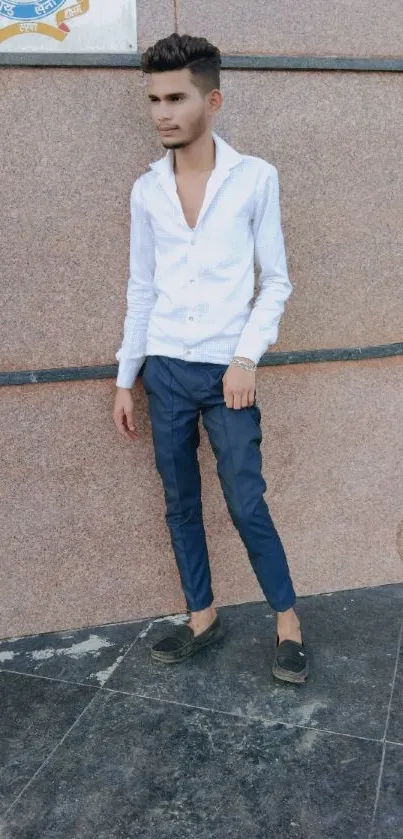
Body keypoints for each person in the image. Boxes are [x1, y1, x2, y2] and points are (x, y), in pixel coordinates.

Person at [113, 33, 309, 684]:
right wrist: (125, 376)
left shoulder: (253, 177)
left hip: (229, 373)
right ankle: (202, 614)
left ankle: (287, 623)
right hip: (164, 367)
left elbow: (274, 280)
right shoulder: (146, 190)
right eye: (153, 100)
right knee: (179, 501)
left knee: (245, 500)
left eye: (175, 97)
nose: (161, 112)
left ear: (212, 99)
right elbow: (142, 286)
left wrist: (246, 358)